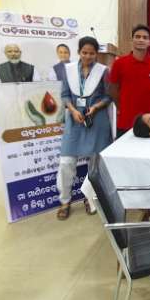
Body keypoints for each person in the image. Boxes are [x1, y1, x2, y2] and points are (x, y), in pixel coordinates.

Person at [56, 36, 113, 220]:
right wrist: (72, 110)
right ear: (79, 52)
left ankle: (90, 197)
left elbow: (109, 96)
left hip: (96, 120)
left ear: (96, 53)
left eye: (92, 53)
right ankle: (65, 201)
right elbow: (65, 95)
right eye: (84, 52)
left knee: (95, 164)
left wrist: (95, 107)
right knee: (66, 162)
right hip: (75, 120)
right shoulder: (69, 70)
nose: (88, 56)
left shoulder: (103, 71)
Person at [109, 24, 150, 138]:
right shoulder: (119, 63)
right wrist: (121, 108)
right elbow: (113, 90)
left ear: (149, 42)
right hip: (125, 121)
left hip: (148, 123)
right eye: (137, 37)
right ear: (132, 40)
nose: (141, 40)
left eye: (145, 37)